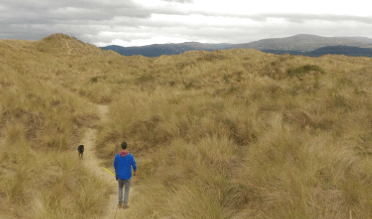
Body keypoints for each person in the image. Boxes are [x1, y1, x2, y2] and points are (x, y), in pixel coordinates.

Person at [113, 141, 137, 209]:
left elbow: (115, 165)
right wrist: (135, 172)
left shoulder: (117, 155)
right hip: (127, 176)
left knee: (120, 188)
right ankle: (125, 205)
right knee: (126, 190)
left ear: (121, 147)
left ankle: (120, 203)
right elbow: (134, 165)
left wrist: (116, 173)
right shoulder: (130, 155)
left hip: (119, 176)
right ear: (126, 147)